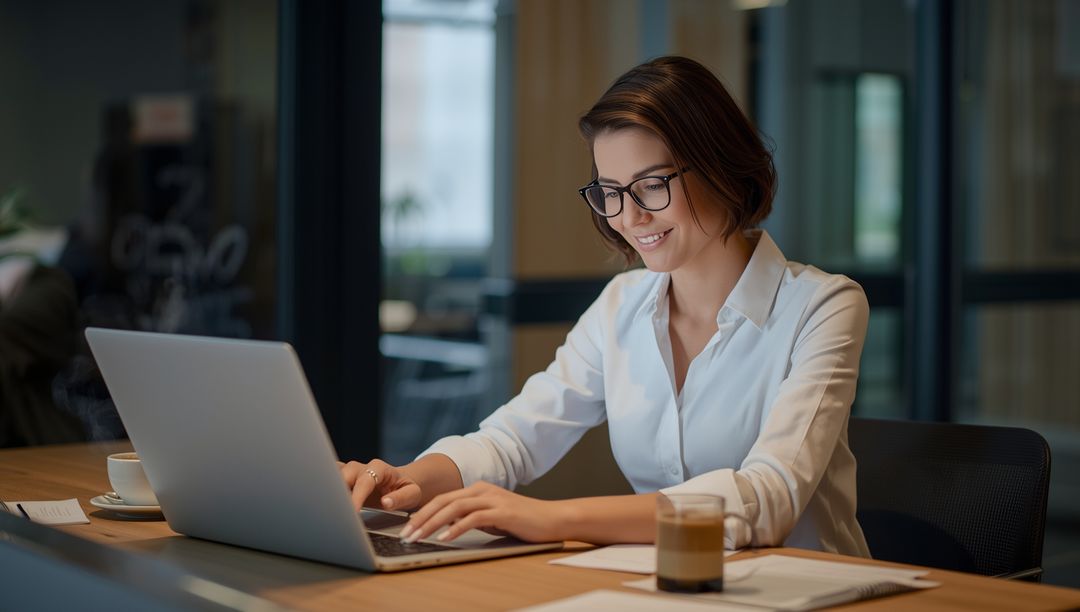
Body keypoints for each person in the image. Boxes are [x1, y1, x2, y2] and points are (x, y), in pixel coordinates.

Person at [341, 55, 870, 556]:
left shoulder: (822, 306)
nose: (629, 217)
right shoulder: (622, 304)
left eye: (652, 184)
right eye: (611, 191)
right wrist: (406, 478)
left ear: (721, 166)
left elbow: (769, 497)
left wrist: (556, 519)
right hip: (666, 589)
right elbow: (513, 440)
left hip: (810, 592)